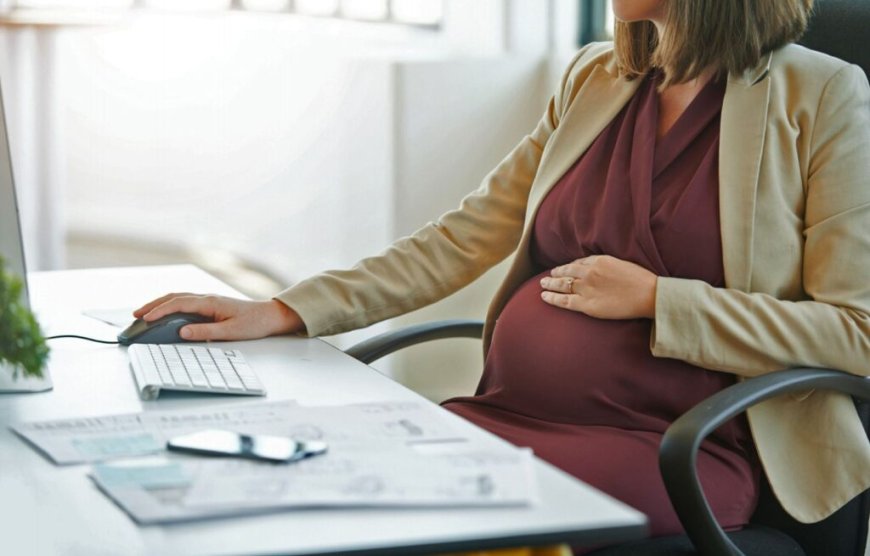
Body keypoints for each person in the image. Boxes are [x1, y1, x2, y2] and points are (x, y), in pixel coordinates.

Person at [135, 0, 870, 548]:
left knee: (417, 516)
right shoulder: (597, 76)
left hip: (672, 443)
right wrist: (287, 309)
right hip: (505, 415)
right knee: (319, 484)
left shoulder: (824, 98)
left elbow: (856, 331)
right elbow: (461, 237)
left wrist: (659, 301)